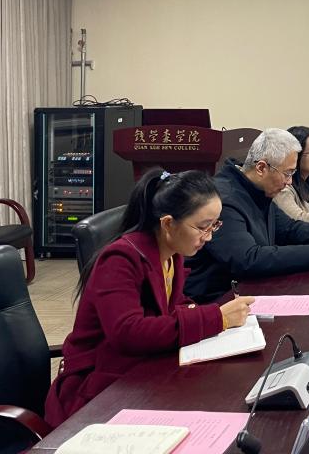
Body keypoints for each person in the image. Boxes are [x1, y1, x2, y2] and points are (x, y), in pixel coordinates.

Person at [45, 168, 256, 426]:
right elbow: (128, 331)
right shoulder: (119, 259)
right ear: (167, 224)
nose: (209, 236)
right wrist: (217, 318)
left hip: (138, 370)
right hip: (96, 389)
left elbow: (172, 307)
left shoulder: (171, 252)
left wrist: (208, 316)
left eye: (214, 225)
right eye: (203, 227)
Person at [185, 128, 309, 303]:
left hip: (251, 290)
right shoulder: (223, 199)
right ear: (261, 168)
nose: (289, 182)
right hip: (217, 300)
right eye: (287, 173)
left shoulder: (258, 189)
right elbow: (247, 259)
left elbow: (288, 228)